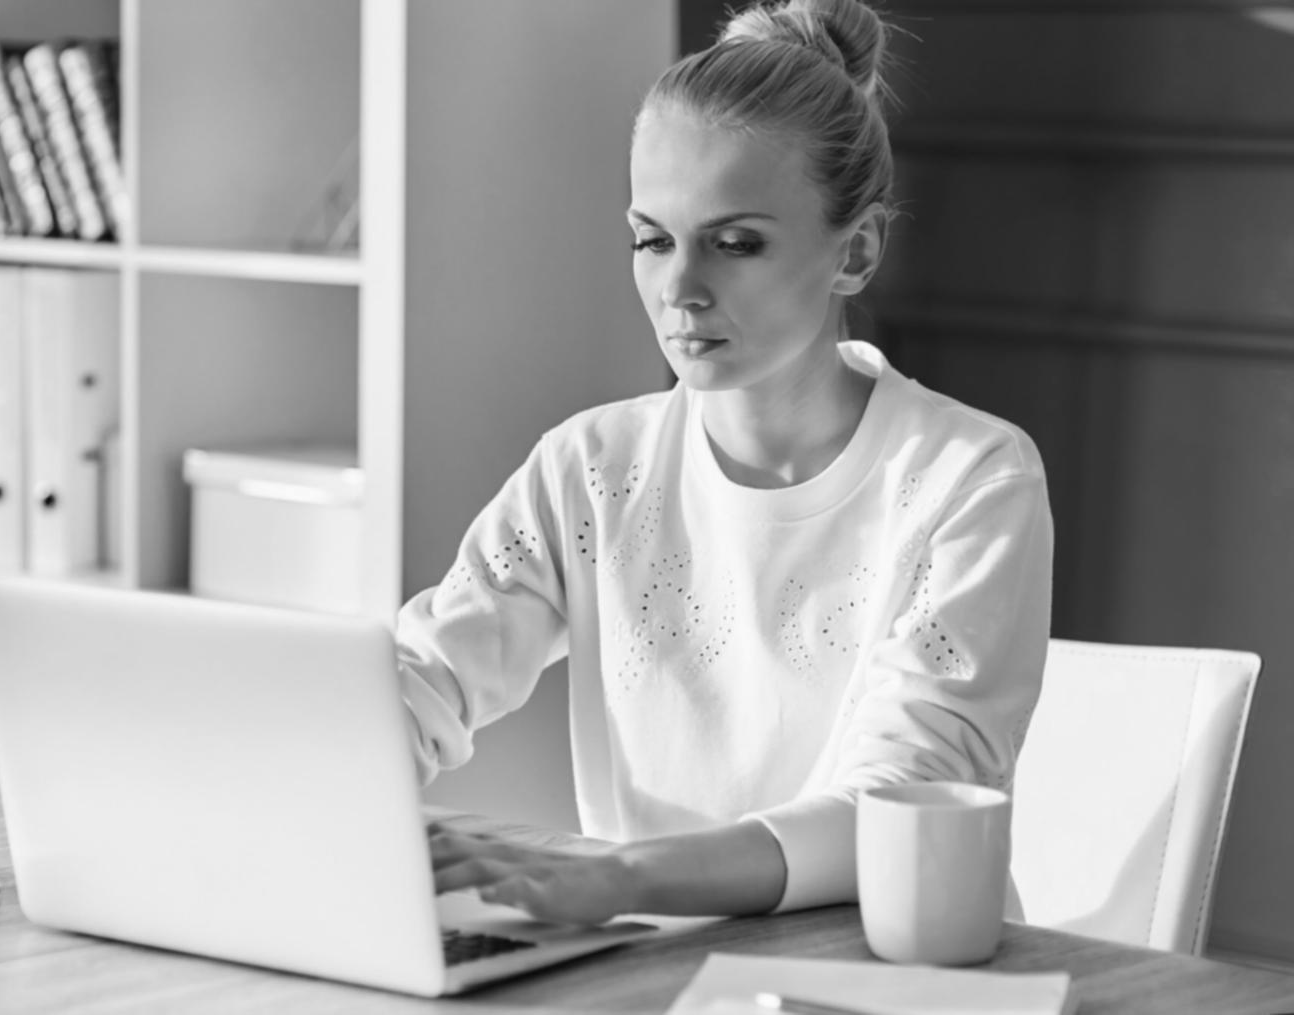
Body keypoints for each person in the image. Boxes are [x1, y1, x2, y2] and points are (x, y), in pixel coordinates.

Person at [397, 0, 1053, 926]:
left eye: (735, 243)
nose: (679, 289)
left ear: (856, 249)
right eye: (652, 240)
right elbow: (426, 673)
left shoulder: (971, 480)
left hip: (886, 977)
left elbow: (898, 803)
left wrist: (623, 878)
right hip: (648, 973)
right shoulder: (588, 467)